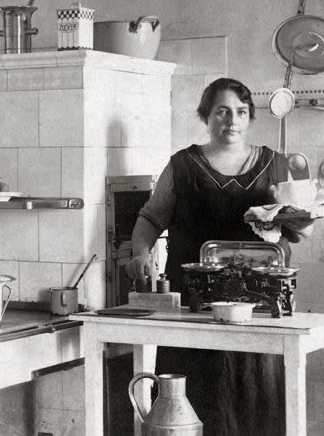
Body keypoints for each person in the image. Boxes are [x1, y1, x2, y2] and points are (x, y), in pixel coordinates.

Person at [126, 77, 313, 436]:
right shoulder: (182, 166)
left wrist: (296, 217)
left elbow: (301, 233)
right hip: (194, 307)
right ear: (205, 117)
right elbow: (150, 218)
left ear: (250, 117)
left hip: (259, 305)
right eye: (222, 112)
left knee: (258, 399)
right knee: (188, 404)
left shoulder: (275, 165)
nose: (232, 120)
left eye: (241, 112)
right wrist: (141, 252)